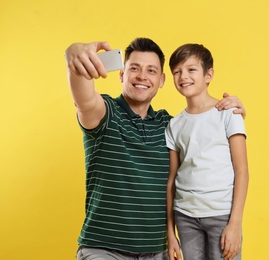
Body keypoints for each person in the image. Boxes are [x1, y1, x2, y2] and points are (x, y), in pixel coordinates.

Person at [64, 38, 246, 260]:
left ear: (161, 81)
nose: (142, 76)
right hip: (105, 250)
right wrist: (75, 56)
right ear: (122, 74)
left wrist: (231, 111)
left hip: (158, 253)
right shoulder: (105, 113)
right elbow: (84, 100)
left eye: (151, 71)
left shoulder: (170, 125)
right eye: (134, 68)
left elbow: (203, 134)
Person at [165, 44, 249, 260]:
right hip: (185, 217)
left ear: (208, 74)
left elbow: (242, 170)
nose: (183, 76)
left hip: (221, 215)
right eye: (177, 71)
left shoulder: (229, 113)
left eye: (191, 69)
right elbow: (172, 179)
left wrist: (235, 223)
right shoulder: (174, 124)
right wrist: (170, 233)